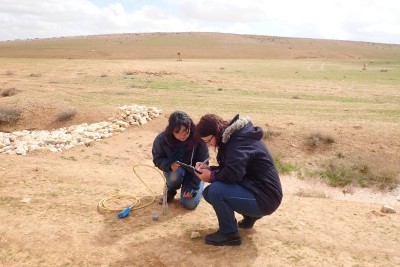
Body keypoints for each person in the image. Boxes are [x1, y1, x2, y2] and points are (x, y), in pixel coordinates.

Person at [194, 114, 282, 246]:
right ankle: (250, 215)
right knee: (208, 193)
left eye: (208, 141)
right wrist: (210, 170)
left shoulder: (238, 142)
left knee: (215, 191)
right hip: (259, 191)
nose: (208, 145)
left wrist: (211, 176)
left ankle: (229, 234)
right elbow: (233, 168)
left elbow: (234, 174)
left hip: (266, 198)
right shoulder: (233, 139)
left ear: (216, 132)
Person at [152, 111, 209, 210]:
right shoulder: (162, 139)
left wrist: (192, 189)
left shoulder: (198, 138)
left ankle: (198, 187)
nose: (181, 136)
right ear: (171, 130)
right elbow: (157, 159)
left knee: (189, 204)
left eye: (185, 132)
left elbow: (203, 164)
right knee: (177, 172)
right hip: (174, 173)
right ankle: (171, 190)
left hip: (194, 175)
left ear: (190, 127)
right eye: (177, 132)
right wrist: (168, 165)